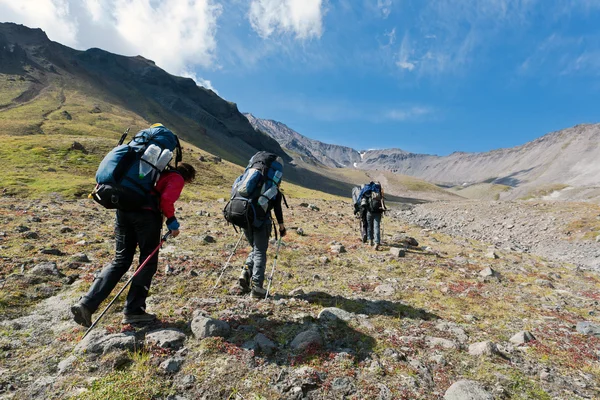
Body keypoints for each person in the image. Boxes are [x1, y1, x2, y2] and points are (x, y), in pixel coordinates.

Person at [71, 163, 196, 327]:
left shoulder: (155, 172)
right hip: (146, 217)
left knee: (120, 261)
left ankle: (86, 304)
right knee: (147, 262)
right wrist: (172, 223)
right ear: (188, 177)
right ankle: (134, 311)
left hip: (123, 212)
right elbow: (166, 199)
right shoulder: (176, 178)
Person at [238, 190, 286, 299]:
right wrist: (282, 227)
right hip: (261, 222)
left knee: (255, 248)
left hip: (245, 218)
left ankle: (246, 272)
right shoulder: (273, 189)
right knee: (259, 251)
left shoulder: (250, 185)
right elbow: (277, 209)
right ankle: (257, 288)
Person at [365, 181, 387, 250]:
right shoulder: (380, 193)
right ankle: (377, 242)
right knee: (376, 227)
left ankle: (370, 241)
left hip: (370, 212)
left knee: (369, 226)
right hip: (378, 212)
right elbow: (383, 203)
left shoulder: (369, 191)